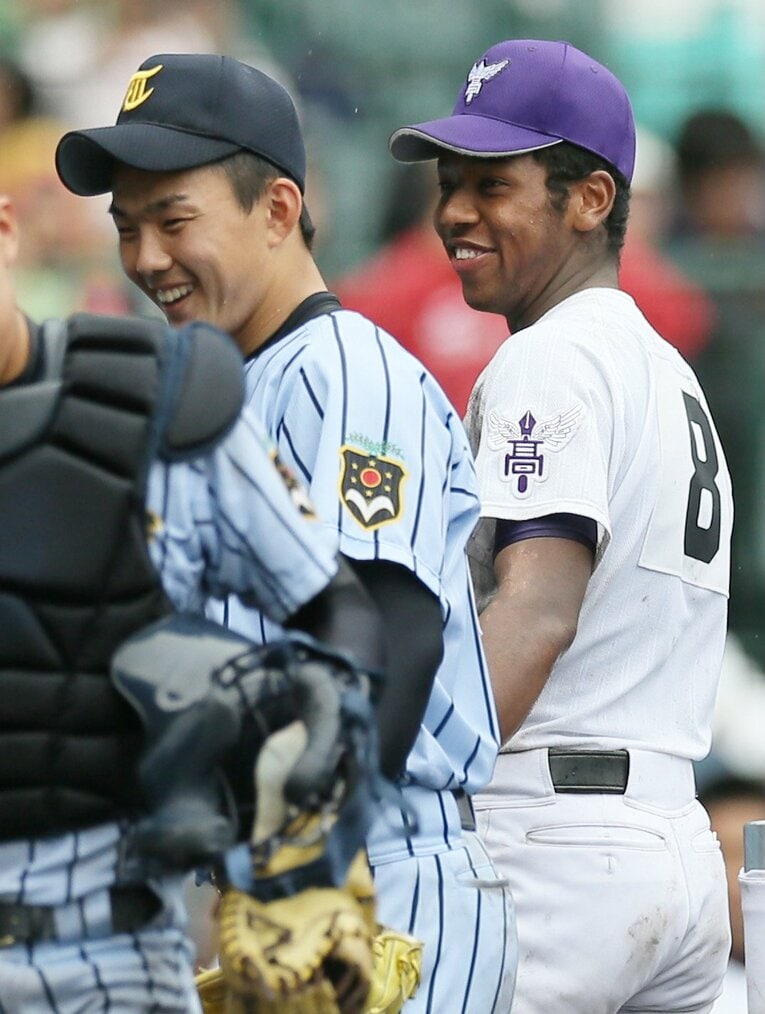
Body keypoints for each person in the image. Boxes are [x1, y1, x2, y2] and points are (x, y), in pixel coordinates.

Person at [55, 52, 516, 1012]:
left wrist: (315, 864)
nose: (146, 259)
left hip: (381, 873)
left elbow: (393, 623)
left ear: (276, 209)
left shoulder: (341, 366)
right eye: (127, 228)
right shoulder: (219, 395)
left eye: (175, 221)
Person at [390, 38, 733, 1013]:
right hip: (673, 841)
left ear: (589, 198)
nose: (453, 210)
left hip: (552, 849)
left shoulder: (553, 359)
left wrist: (396, 787)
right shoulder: (667, 370)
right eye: (449, 182)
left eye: (492, 185)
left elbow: (537, 611)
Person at [0, 188, 385, 1011]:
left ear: (5, 232)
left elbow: (340, 609)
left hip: (104, 955)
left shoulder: (147, 401)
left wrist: (307, 765)